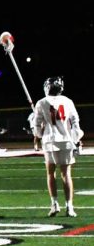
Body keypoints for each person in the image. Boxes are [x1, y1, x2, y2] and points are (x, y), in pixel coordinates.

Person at [32, 77, 83, 217]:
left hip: (49, 141)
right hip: (66, 140)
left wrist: (39, 132)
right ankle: (69, 207)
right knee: (66, 175)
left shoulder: (41, 102)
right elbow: (75, 122)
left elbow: (36, 125)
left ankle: (54, 204)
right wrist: (76, 138)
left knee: (50, 173)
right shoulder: (67, 101)